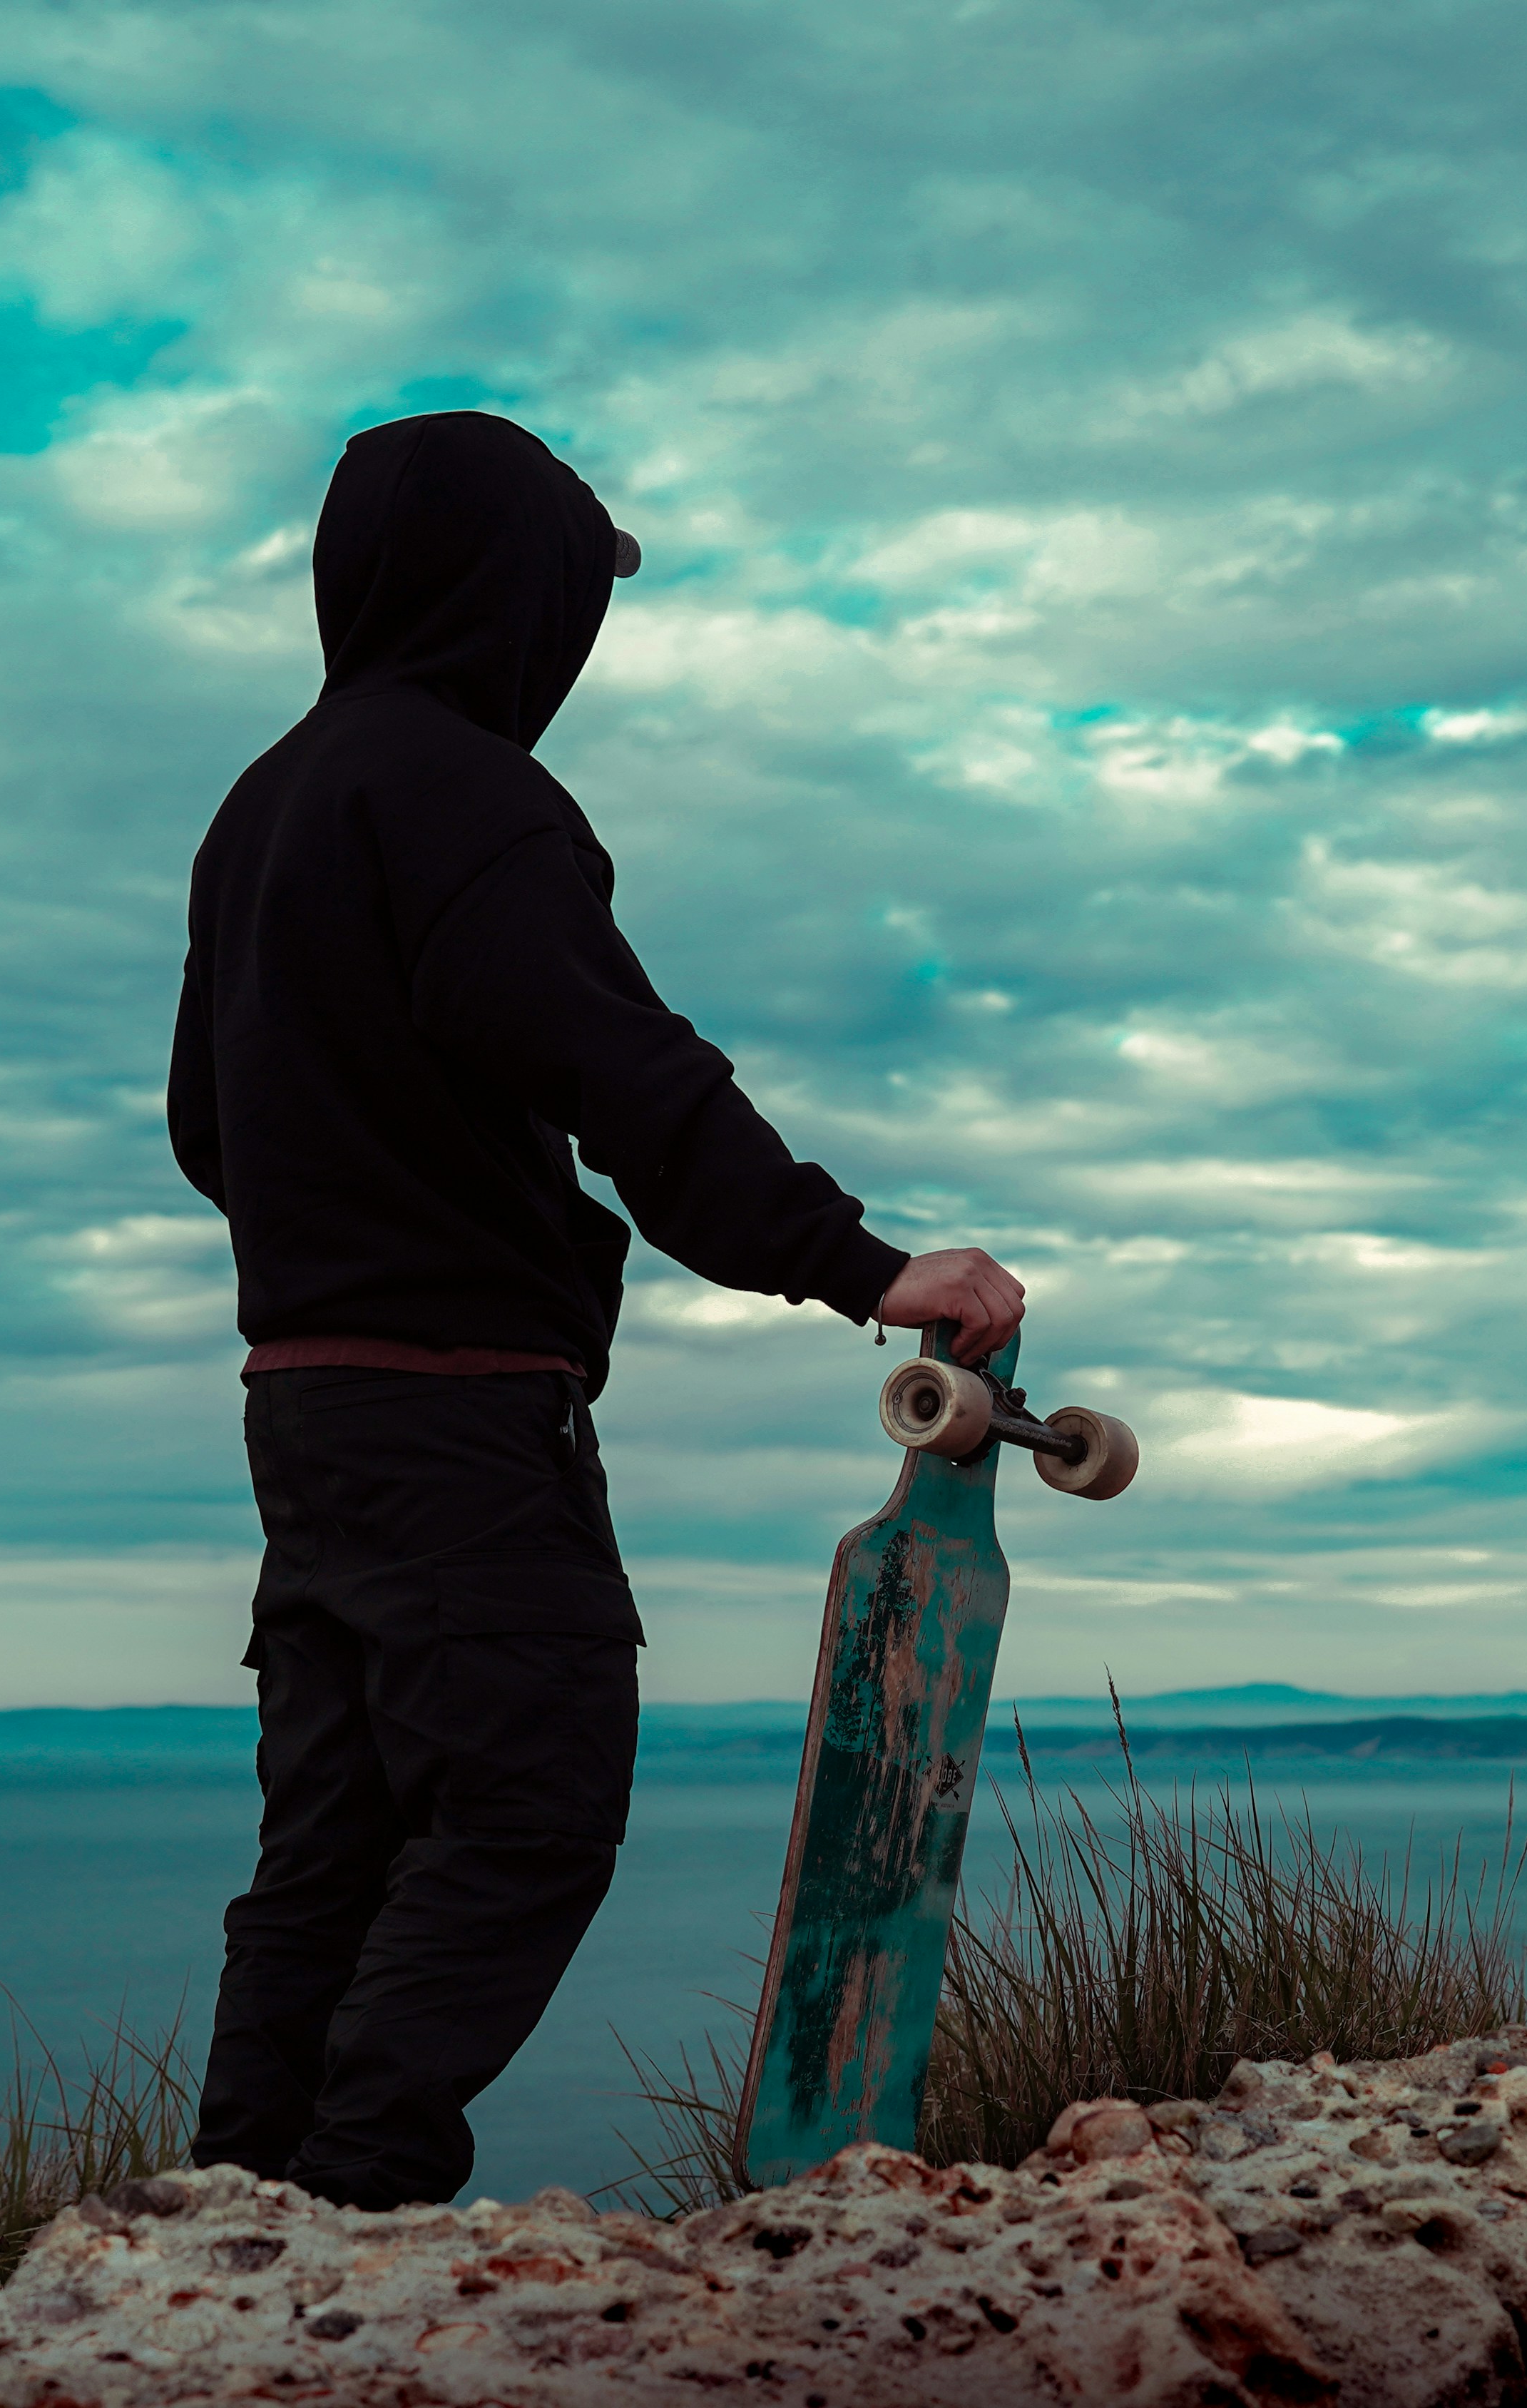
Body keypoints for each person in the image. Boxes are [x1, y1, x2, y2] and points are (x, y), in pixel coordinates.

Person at [164, 410, 1025, 2208]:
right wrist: (866, 1266)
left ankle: (229, 2225)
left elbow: (204, 1126)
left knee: (334, 1839)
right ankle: (363, 2200)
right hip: (463, 1412)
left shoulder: (262, 804)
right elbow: (632, 1079)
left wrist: (371, 1196)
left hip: (301, 1411)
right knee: (531, 1807)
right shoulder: (471, 798)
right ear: (515, 598)